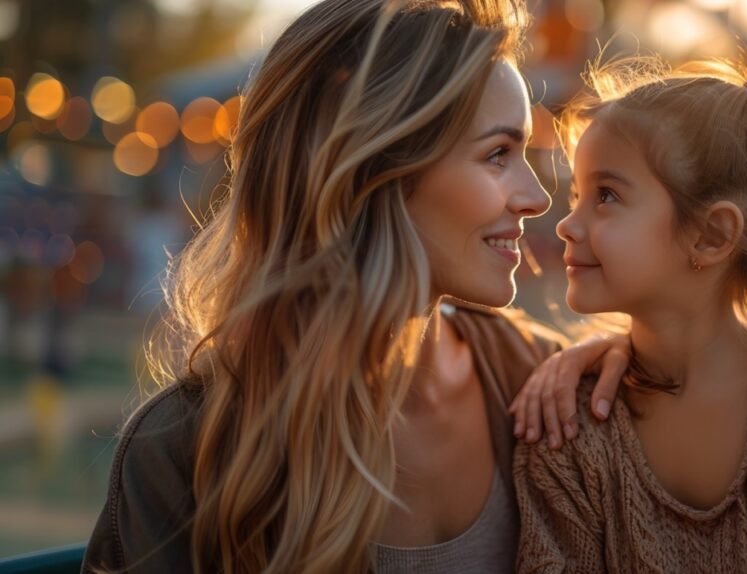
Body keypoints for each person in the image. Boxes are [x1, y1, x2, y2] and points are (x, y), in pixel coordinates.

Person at [82, 1, 625, 572]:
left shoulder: (540, 384)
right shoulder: (187, 449)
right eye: (497, 154)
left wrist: (645, 366)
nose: (537, 197)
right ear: (372, 170)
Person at [514, 54, 747, 572]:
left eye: (605, 196)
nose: (565, 224)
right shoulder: (569, 421)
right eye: (578, 194)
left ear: (712, 235)